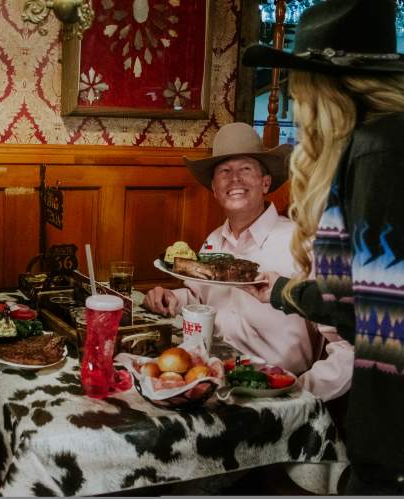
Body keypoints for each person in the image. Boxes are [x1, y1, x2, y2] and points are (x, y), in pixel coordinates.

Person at [241, 0, 404, 494]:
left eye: (296, 84)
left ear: (319, 86)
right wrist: (288, 291)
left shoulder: (379, 151)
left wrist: (286, 292)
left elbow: (374, 311)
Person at [143, 122, 353, 402]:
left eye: (246, 169)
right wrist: (173, 298)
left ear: (265, 182)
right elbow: (201, 296)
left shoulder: (302, 244)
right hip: (215, 382)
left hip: (275, 394)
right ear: (214, 189)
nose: (235, 180)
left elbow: (349, 341)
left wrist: (305, 391)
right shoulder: (213, 241)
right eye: (224, 172)